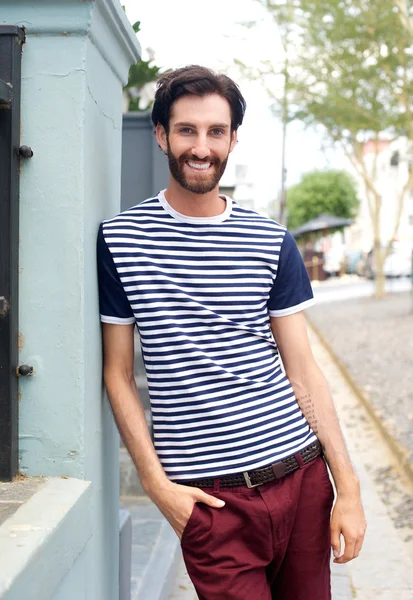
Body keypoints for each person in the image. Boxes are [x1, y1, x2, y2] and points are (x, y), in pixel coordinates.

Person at [97, 65, 366, 600]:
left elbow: (303, 369)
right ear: (160, 135)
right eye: (187, 130)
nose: (202, 147)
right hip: (212, 507)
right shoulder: (121, 240)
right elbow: (119, 373)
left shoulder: (272, 241)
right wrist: (156, 486)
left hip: (302, 479)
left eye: (216, 131)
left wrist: (348, 487)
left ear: (233, 138)